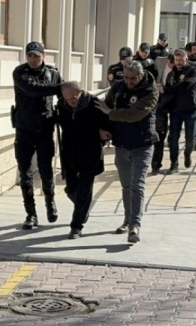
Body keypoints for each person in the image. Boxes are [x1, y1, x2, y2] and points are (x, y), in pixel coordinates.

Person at [95, 60, 159, 244]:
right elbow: (104, 108)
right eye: (127, 77)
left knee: (137, 184)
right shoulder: (118, 87)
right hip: (122, 144)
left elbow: (134, 114)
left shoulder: (151, 91)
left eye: (133, 78)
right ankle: (127, 219)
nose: (130, 81)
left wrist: (111, 112)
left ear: (141, 75)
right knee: (126, 186)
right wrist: (103, 129)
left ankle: (134, 226)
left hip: (143, 144)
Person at [11, 41, 63, 229]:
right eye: (30, 56)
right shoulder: (20, 72)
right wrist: (60, 87)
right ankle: (30, 214)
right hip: (24, 129)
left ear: (43, 56)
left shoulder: (53, 73)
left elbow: (64, 99)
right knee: (25, 172)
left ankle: (50, 203)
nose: (33, 59)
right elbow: (33, 90)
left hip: (44, 129)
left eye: (36, 56)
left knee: (46, 169)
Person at [55, 81, 111, 239]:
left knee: (84, 190)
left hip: (90, 153)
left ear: (81, 92)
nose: (71, 102)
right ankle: (83, 208)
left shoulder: (95, 104)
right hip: (70, 154)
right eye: (67, 99)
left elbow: (108, 125)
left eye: (74, 98)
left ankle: (76, 226)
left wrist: (102, 133)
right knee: (71, 189)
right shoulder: (61, 105)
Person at [159, 49, 196, 174]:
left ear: (186, 59)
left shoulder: (193, 71)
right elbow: (169, 88)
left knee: (189, 140)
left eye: (181, 60)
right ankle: (174, 164)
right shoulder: (172, 73)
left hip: (190, 109)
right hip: (176, 111)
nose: (178, 62)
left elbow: (185, 86)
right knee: (173, 139)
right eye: (176, 60)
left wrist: (165, 90)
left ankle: (187, 154)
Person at [150, 54, 174, 175]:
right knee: (159, 134)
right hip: (158, 103)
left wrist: (166, 90)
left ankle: (158, 163)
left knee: (162, 134)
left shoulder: (180, 70)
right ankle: (155, 165)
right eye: (171, 63)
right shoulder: (159, 61)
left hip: (172, 101)